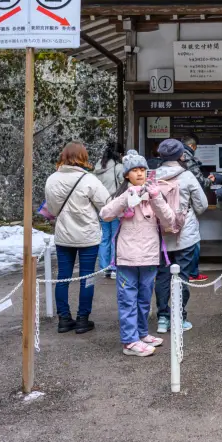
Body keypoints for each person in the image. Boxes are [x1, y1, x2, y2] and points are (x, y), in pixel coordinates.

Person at [99, 150, 175, 357]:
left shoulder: (154, 193)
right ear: (126, 175)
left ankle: (141, 333)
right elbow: (105, 214)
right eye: (135, 170)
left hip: (150, 255)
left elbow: (170, 221)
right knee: (127, 300)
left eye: (143, 169)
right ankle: (129, 341)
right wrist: (126, 198)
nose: (140, 173)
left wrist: (156, 197)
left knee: (143, 299)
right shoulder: (121, 195)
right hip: (127, 257)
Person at [44, 142, 110, 334]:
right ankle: (83, 319)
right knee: (87, 276)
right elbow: (105, 204)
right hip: (87, 235)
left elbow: (51, 209)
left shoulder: (52, 179)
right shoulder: (89, 180)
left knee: (62, 277)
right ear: (82, 157)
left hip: (63, 234)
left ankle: (64, 319)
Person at [153, 138, 209, 334]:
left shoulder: (152, 176)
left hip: (159, 236)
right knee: (183, 276)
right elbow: (201, 206)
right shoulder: (186, 176)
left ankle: (162, 317)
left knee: (162, 275)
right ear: (181, 155)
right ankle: (180, 317)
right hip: (185, 235)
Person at [180, 134, 211, 281]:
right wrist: (209, 181)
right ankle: (192, 272)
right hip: (187, 206)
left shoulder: (168, 162)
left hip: (170, 207)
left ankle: (177, 271)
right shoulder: (188, 158)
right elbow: (199, 182)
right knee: (193, 240)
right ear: (193, 146)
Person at [93, 144, 124, 279]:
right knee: (115, 237)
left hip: (102, 207)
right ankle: (113, 267)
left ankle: (104, 267)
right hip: (115, 206)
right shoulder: (118, 167)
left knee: (105, 237)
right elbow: (124, 185)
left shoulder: (98, 167)